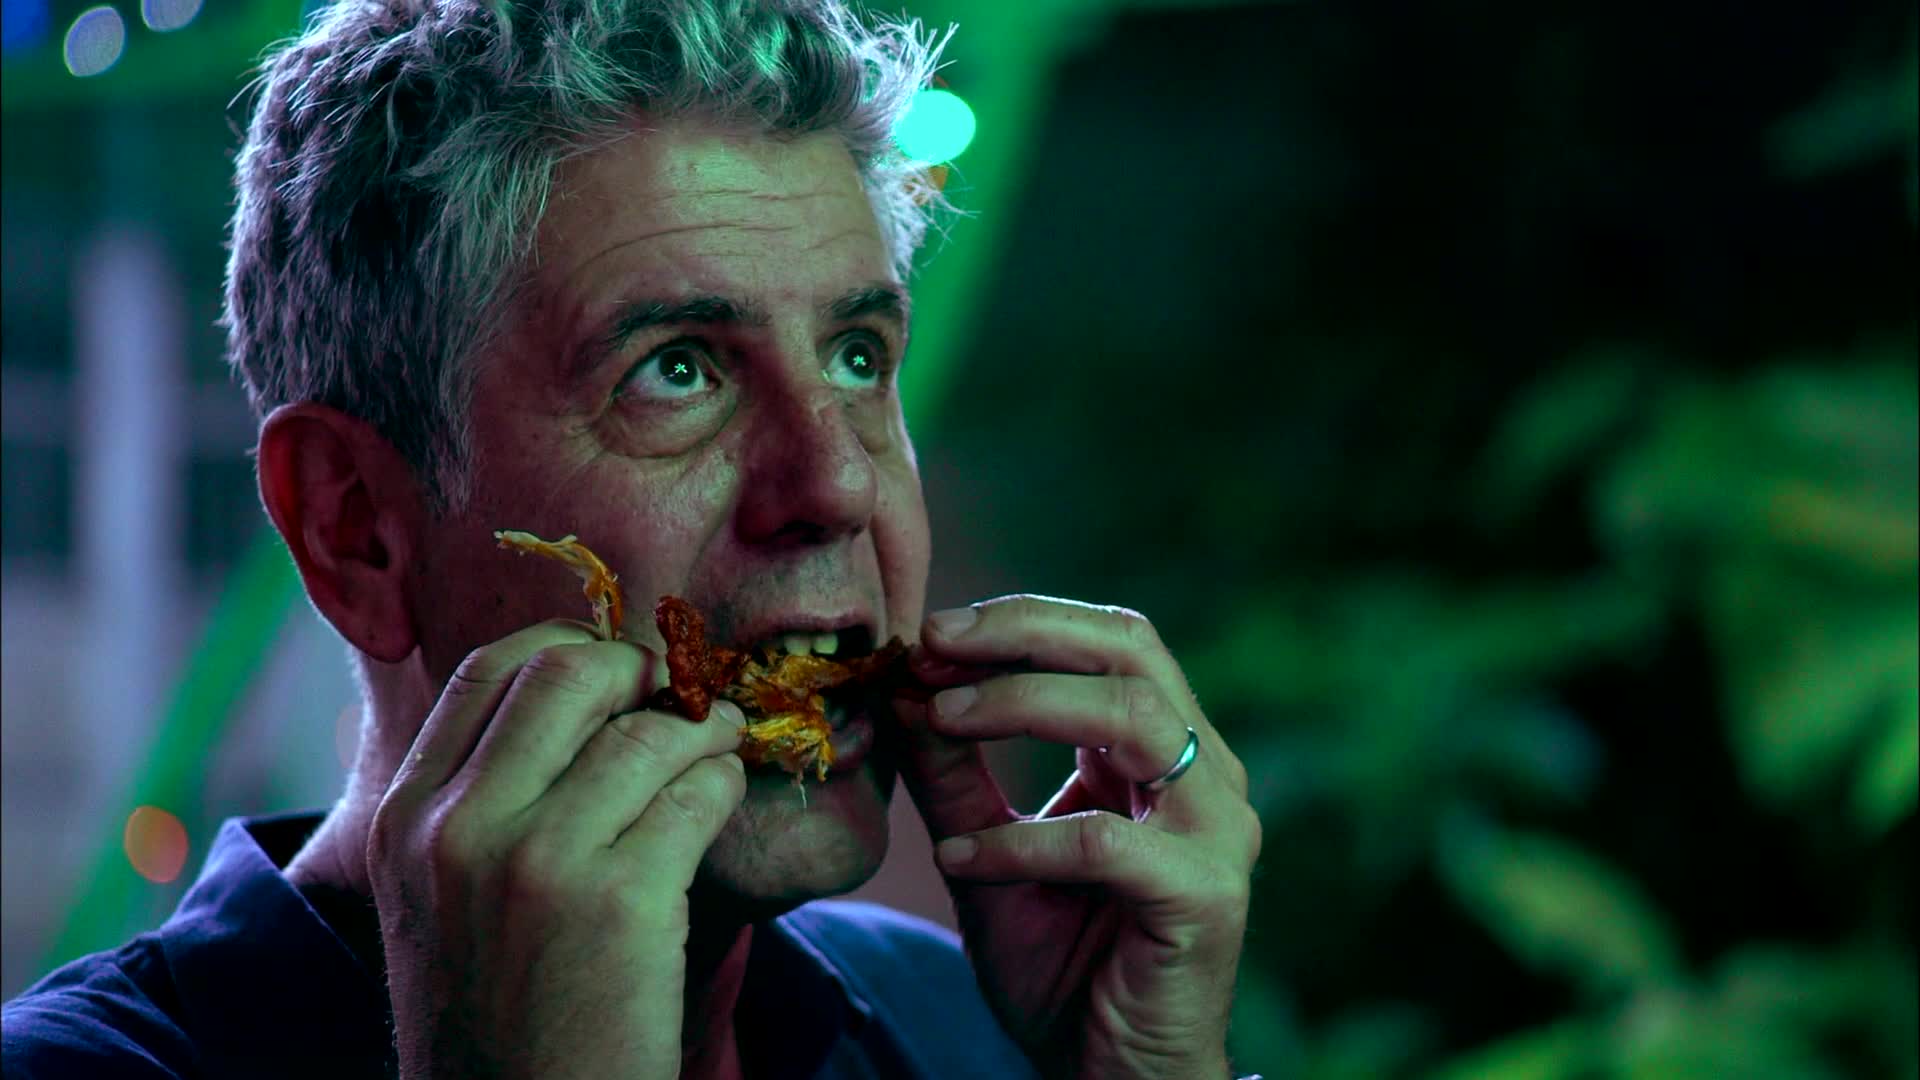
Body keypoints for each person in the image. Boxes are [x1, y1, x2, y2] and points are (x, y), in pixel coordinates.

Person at [1, 0, 1263, 1076]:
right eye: (677, 370)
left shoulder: (955, 1021)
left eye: (856, 356)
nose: (836, 484)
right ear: (358, 532)